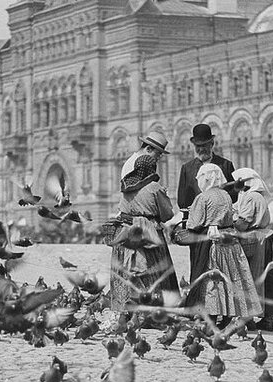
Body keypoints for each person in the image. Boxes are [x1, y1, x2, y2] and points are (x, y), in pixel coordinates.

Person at [185, 162, 260, 327]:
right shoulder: (226, 195)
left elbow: (194, 224)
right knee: (231, 277)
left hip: (213, 241)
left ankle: (211, 315)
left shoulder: (203, 197)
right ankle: (228, 314)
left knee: (212, 280)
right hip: (229, 239)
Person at [108, 153, 179, 312]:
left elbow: (122, 209)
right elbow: (167, 214)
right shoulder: (154, 187)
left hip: (127, 231)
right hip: (149, 232)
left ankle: (124, 307)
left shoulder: (126, 186)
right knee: (152, 270)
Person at [177, 123, 235, 290]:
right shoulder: (187, 168)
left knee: (222, 267)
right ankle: (198, 304)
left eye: (204, 145)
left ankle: (221, 304)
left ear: (212, 144)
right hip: (198, 228)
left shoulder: (225, 165)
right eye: (198, 146)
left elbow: (234, 195)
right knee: (198, 263)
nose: (201, 149)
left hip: (221, 227)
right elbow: (182, 200)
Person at [231, 167, 273, 331]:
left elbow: (242, 223)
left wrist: (229, 219)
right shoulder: (254, 195)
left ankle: (249, 319)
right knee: (268, 280)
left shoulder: (251, 197)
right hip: (264, 240)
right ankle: (267, 319)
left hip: (254, 240)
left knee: (252, 278)